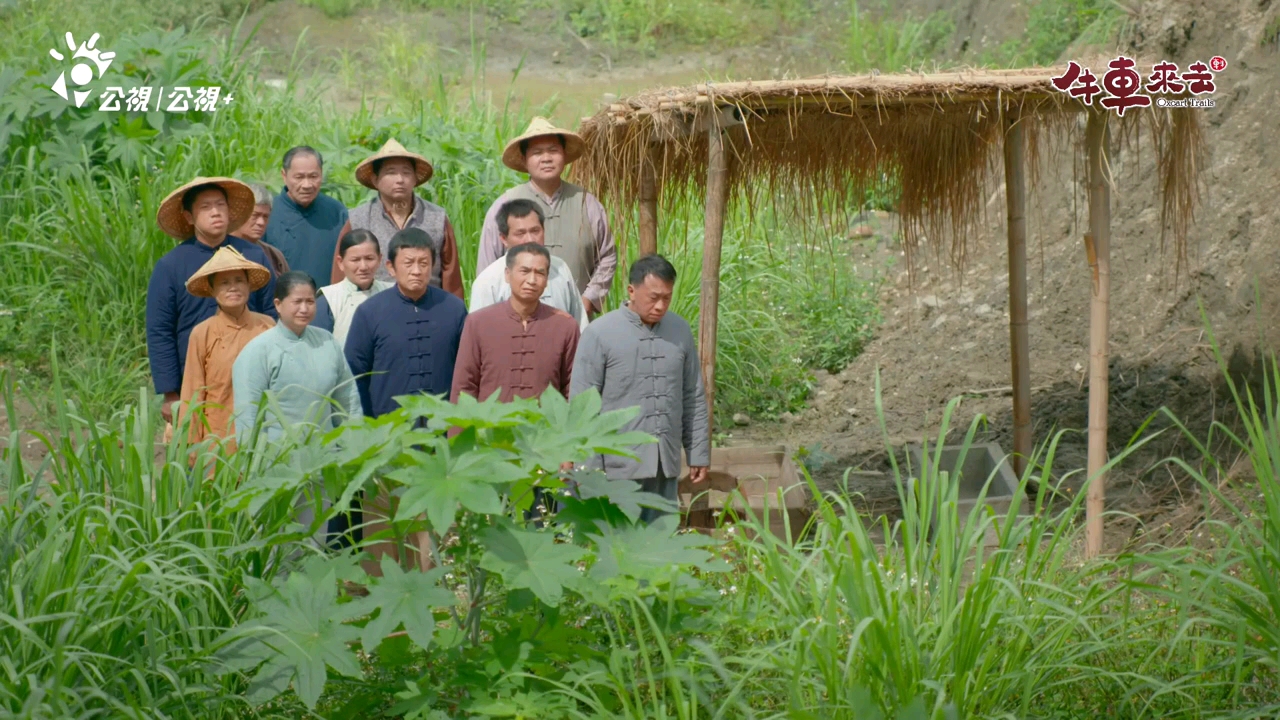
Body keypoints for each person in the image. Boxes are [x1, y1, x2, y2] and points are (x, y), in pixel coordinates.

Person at [570, 254, 709, 523]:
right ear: (631, 291)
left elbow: (692, 396)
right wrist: (588, 468)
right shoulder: (599, 334)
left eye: (667, 298)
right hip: (616, 467)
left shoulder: (680, 330)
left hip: (663, 463)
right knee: (618, 545)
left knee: (661, 545)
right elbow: (582, 405)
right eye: (653, 297)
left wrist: (698, 453)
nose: (660, 306)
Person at [147, 177, 278, 428]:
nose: (216, 212)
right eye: (206, 207)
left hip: (252, 374)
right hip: (192, 379)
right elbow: (160, 331)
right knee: (197, 452)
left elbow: (271, 310)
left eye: (221, 205)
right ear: (189, 217)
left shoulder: (252, 255)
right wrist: (169, 392)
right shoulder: (171, 265)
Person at [477, 117, 616, 319]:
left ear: (564, 155)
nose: (546, 158)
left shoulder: (587, 203)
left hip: (576, 319)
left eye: (553, 150)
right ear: (525, 160)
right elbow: (487, 267)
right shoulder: (506, 205)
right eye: (537, 153)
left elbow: (607, 256)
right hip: (515, 320)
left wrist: (587, 300)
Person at [345, 228, 467, 420]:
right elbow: (355, 374)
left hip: (444, 425)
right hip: (389, 429)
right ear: (391, 267)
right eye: (408, 263)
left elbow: (467, 370)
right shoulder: (369, 312)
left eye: (424, 263)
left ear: (433, 265)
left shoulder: (454, 308)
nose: (416, 271)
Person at [232, 271, 361, 447]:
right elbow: (248, 419)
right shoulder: (258, 351)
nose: (304, 309)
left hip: (327, 459)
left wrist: (354, 452)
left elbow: (348, 404)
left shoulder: (327, 341)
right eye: (297, 302)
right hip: (278, 462)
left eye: (310, 301)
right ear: (278, 304)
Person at [330, 139, 464, 300]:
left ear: (415, 179)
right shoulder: (358, 220)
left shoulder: (436, 217)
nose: (400, 179)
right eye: (391, 172)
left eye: (406, 172)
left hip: (429, 308)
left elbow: (451, 277)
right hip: (373, 310)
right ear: (375, 180)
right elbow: (341, 274)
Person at [452, 242, 580, 405]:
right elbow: (464, 388)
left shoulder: (565, 327)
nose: (532, 280)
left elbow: (572, 389)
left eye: (540, 273)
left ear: (547, 279)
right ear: (507, 274)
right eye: (524, 271)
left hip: (546, 429)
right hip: (492, 427)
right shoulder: (478, 323)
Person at [176, 247, 276, 446]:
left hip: (263, 435)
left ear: (248, 285)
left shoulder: (267, 327)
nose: (233, 287)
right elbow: (192, 391)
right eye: (224, 283)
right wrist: (191, 444)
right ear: (212, 290)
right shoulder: (202, 333)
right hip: (217, 436)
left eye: (239, 280)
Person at [469, 199, 587, 331]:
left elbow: (579, 325)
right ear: (503, 239)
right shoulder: (489, 281)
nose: (530, 239)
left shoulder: (560, 269)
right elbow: (479, 334)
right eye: (520, 233)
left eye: (535, 231)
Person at [262, 146, 349, 286]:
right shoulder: (267, 214)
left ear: (321, 174)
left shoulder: (337, 212)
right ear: (284, 176)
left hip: (329, 303)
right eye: (299, 177)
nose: (307, 185)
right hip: (283, 303)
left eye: (313, 176)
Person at [312, 229, 394, 348]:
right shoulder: (329, 299)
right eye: (355, 260)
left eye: (369, 259)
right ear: (340, 262)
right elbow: (317, 348)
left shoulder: (392, 293)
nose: (363, 267)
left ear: (379, 259)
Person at [232, 183, 289, 275]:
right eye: (255, 215)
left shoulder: (274, 256)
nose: (261, 222)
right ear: (238, 213)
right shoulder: (220, 250)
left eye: (265, 216)